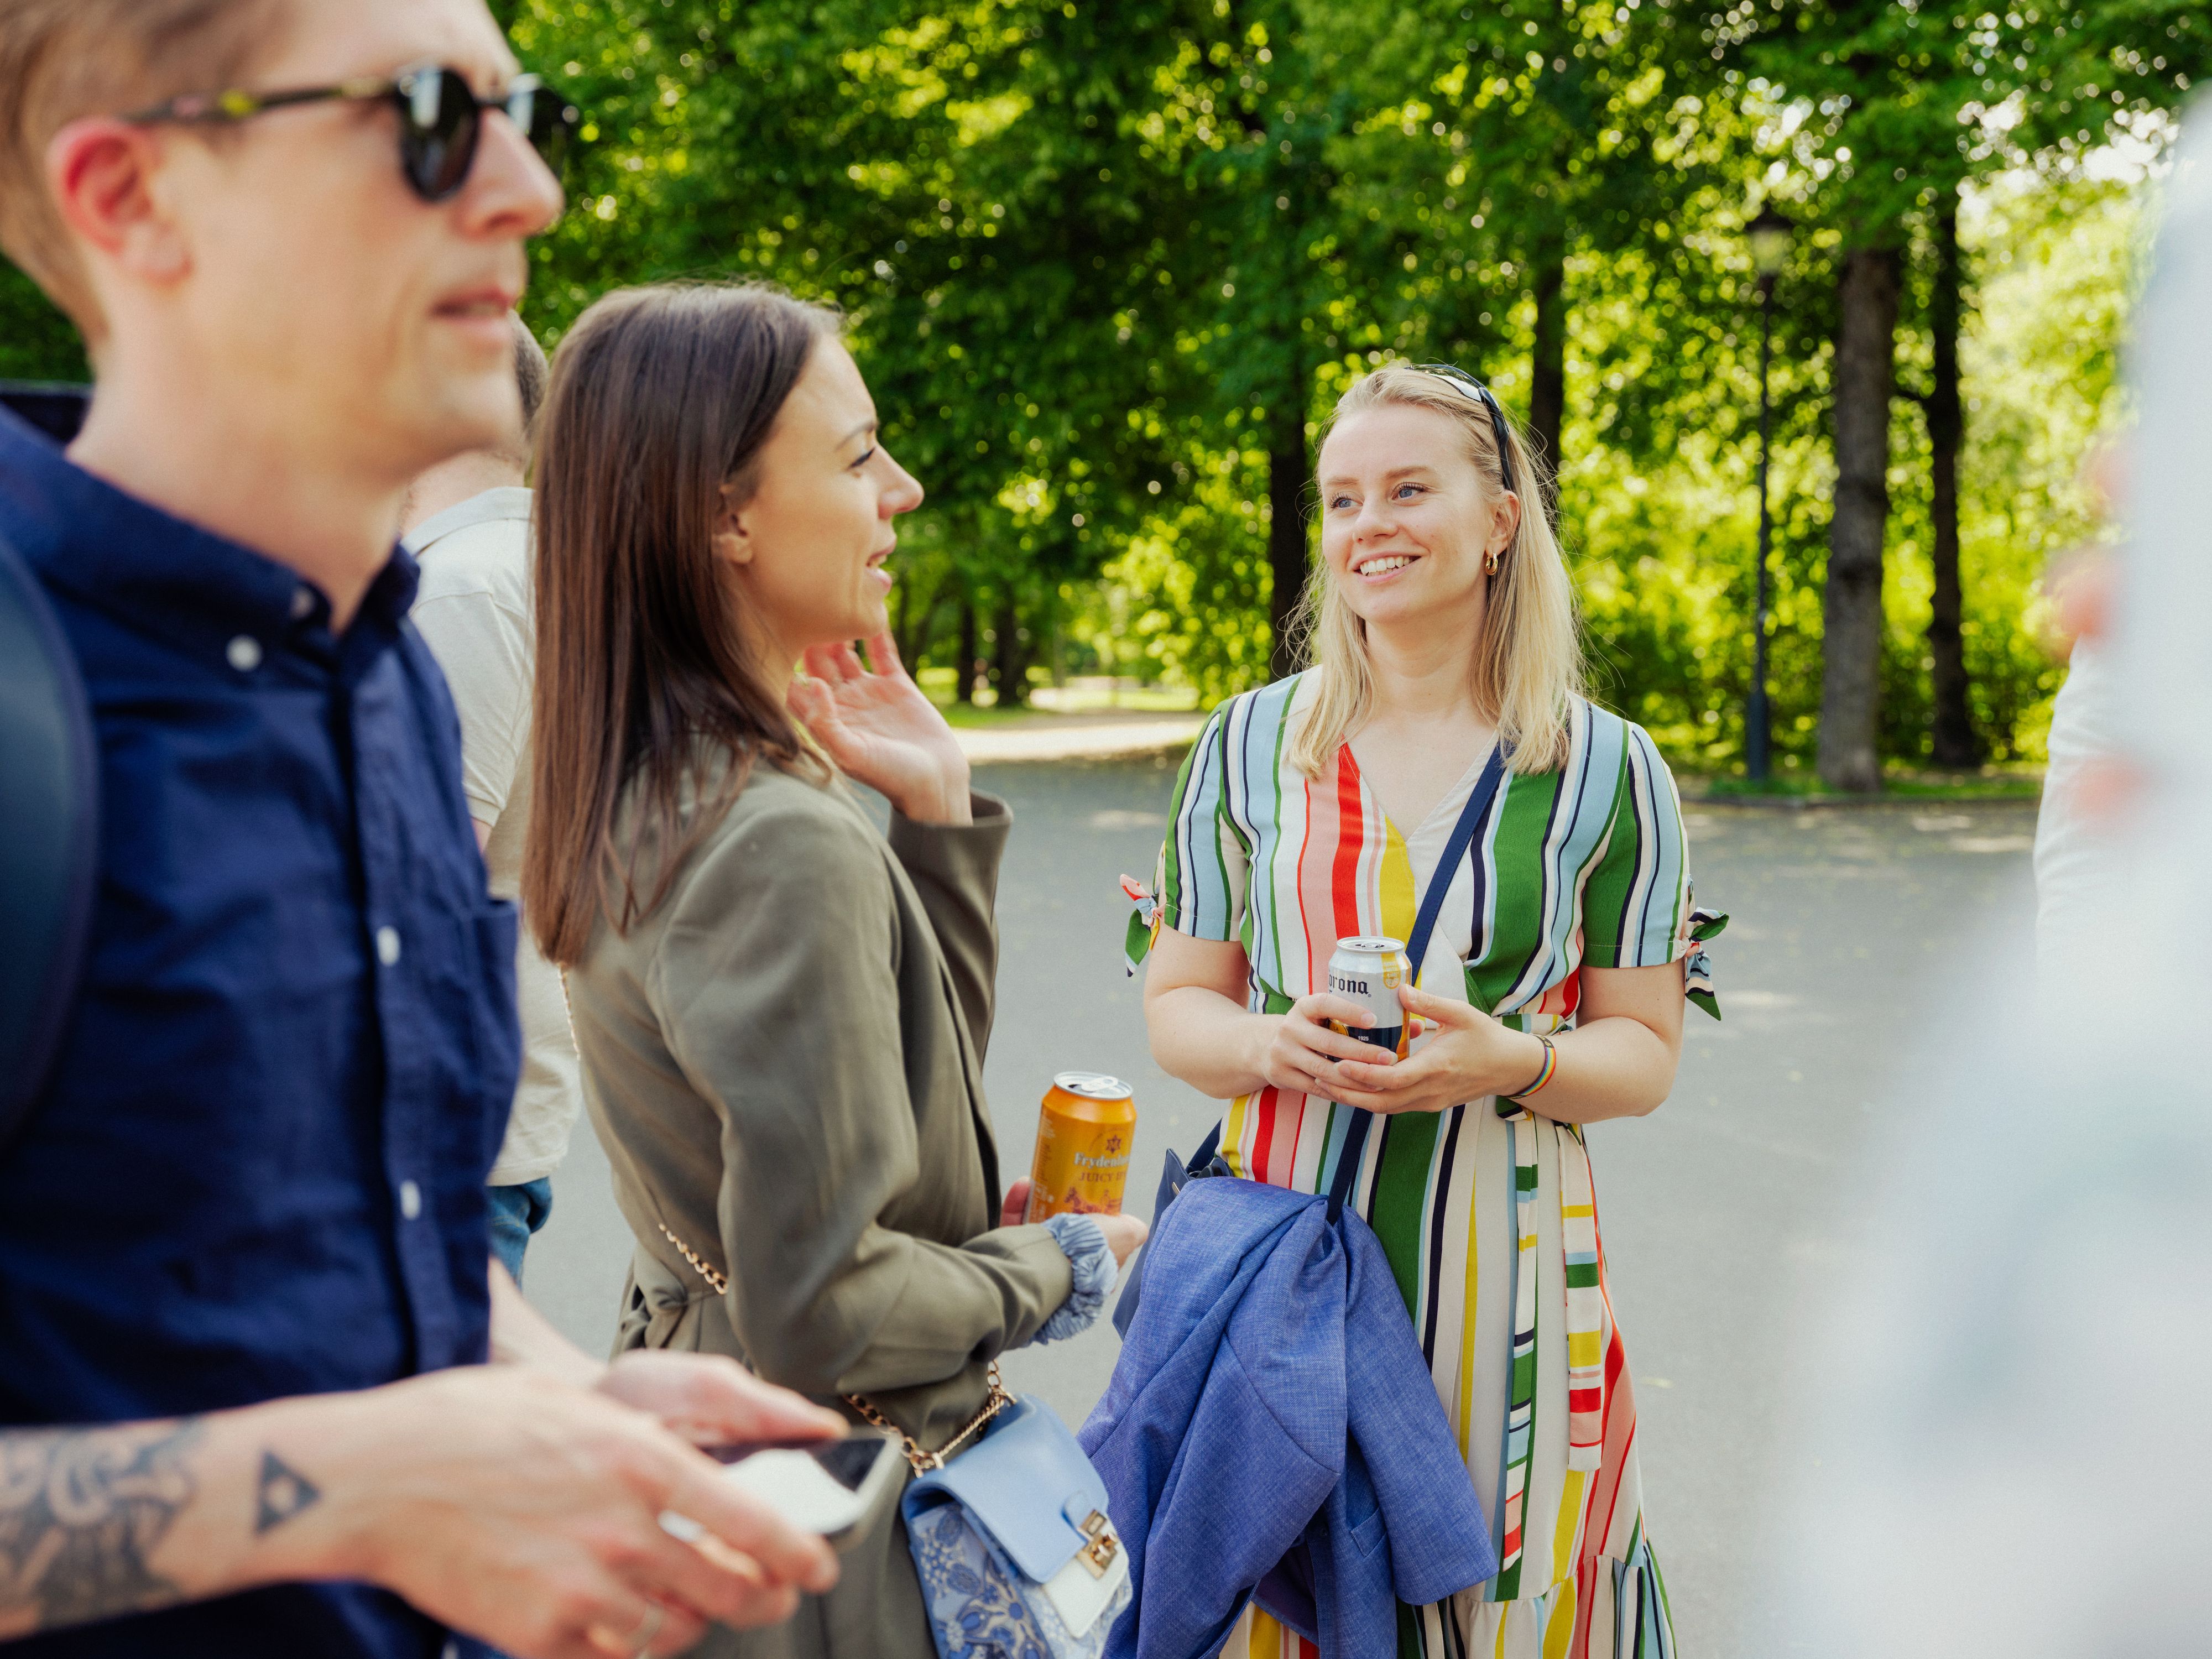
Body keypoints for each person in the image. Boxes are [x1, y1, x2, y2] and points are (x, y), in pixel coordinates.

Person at [0, 4, 839, 1656]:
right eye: (433, 114)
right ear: (131, 196)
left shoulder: (386, 673)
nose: (528, 184)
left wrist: (568, 1402)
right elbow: (359, 1460)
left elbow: (360, 1243)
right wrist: (372, 1486)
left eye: (524, 108)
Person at [523, 280, 1147, 1659]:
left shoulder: (646, 783)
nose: (903, 490)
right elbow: (826, 1308)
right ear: (723, 512)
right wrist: (1054, 1267)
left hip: (724, 1465)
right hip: (827, 1526)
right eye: (858, 454)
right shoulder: (769, 838)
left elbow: (888, 1121)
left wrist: (934, 825)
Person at [1139, 364, 1707, 1658]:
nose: (1365, 526)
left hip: (1505, 1279)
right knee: (1270, 1593)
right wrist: (1261, 1044)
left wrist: (1506, 1057)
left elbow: (1642, 1053)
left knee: (1495, 1599)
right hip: (1278, 1263)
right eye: (1342, 499)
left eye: (1406, 489)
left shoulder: (1606, 771)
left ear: (1499, 519)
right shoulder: (1244, 744)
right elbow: (1178, 1004)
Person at [401, 312, 577, 1283]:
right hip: (488, 1094)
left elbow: (427, 886)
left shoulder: (460, 592)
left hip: (439, 1123)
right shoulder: (541, 569)